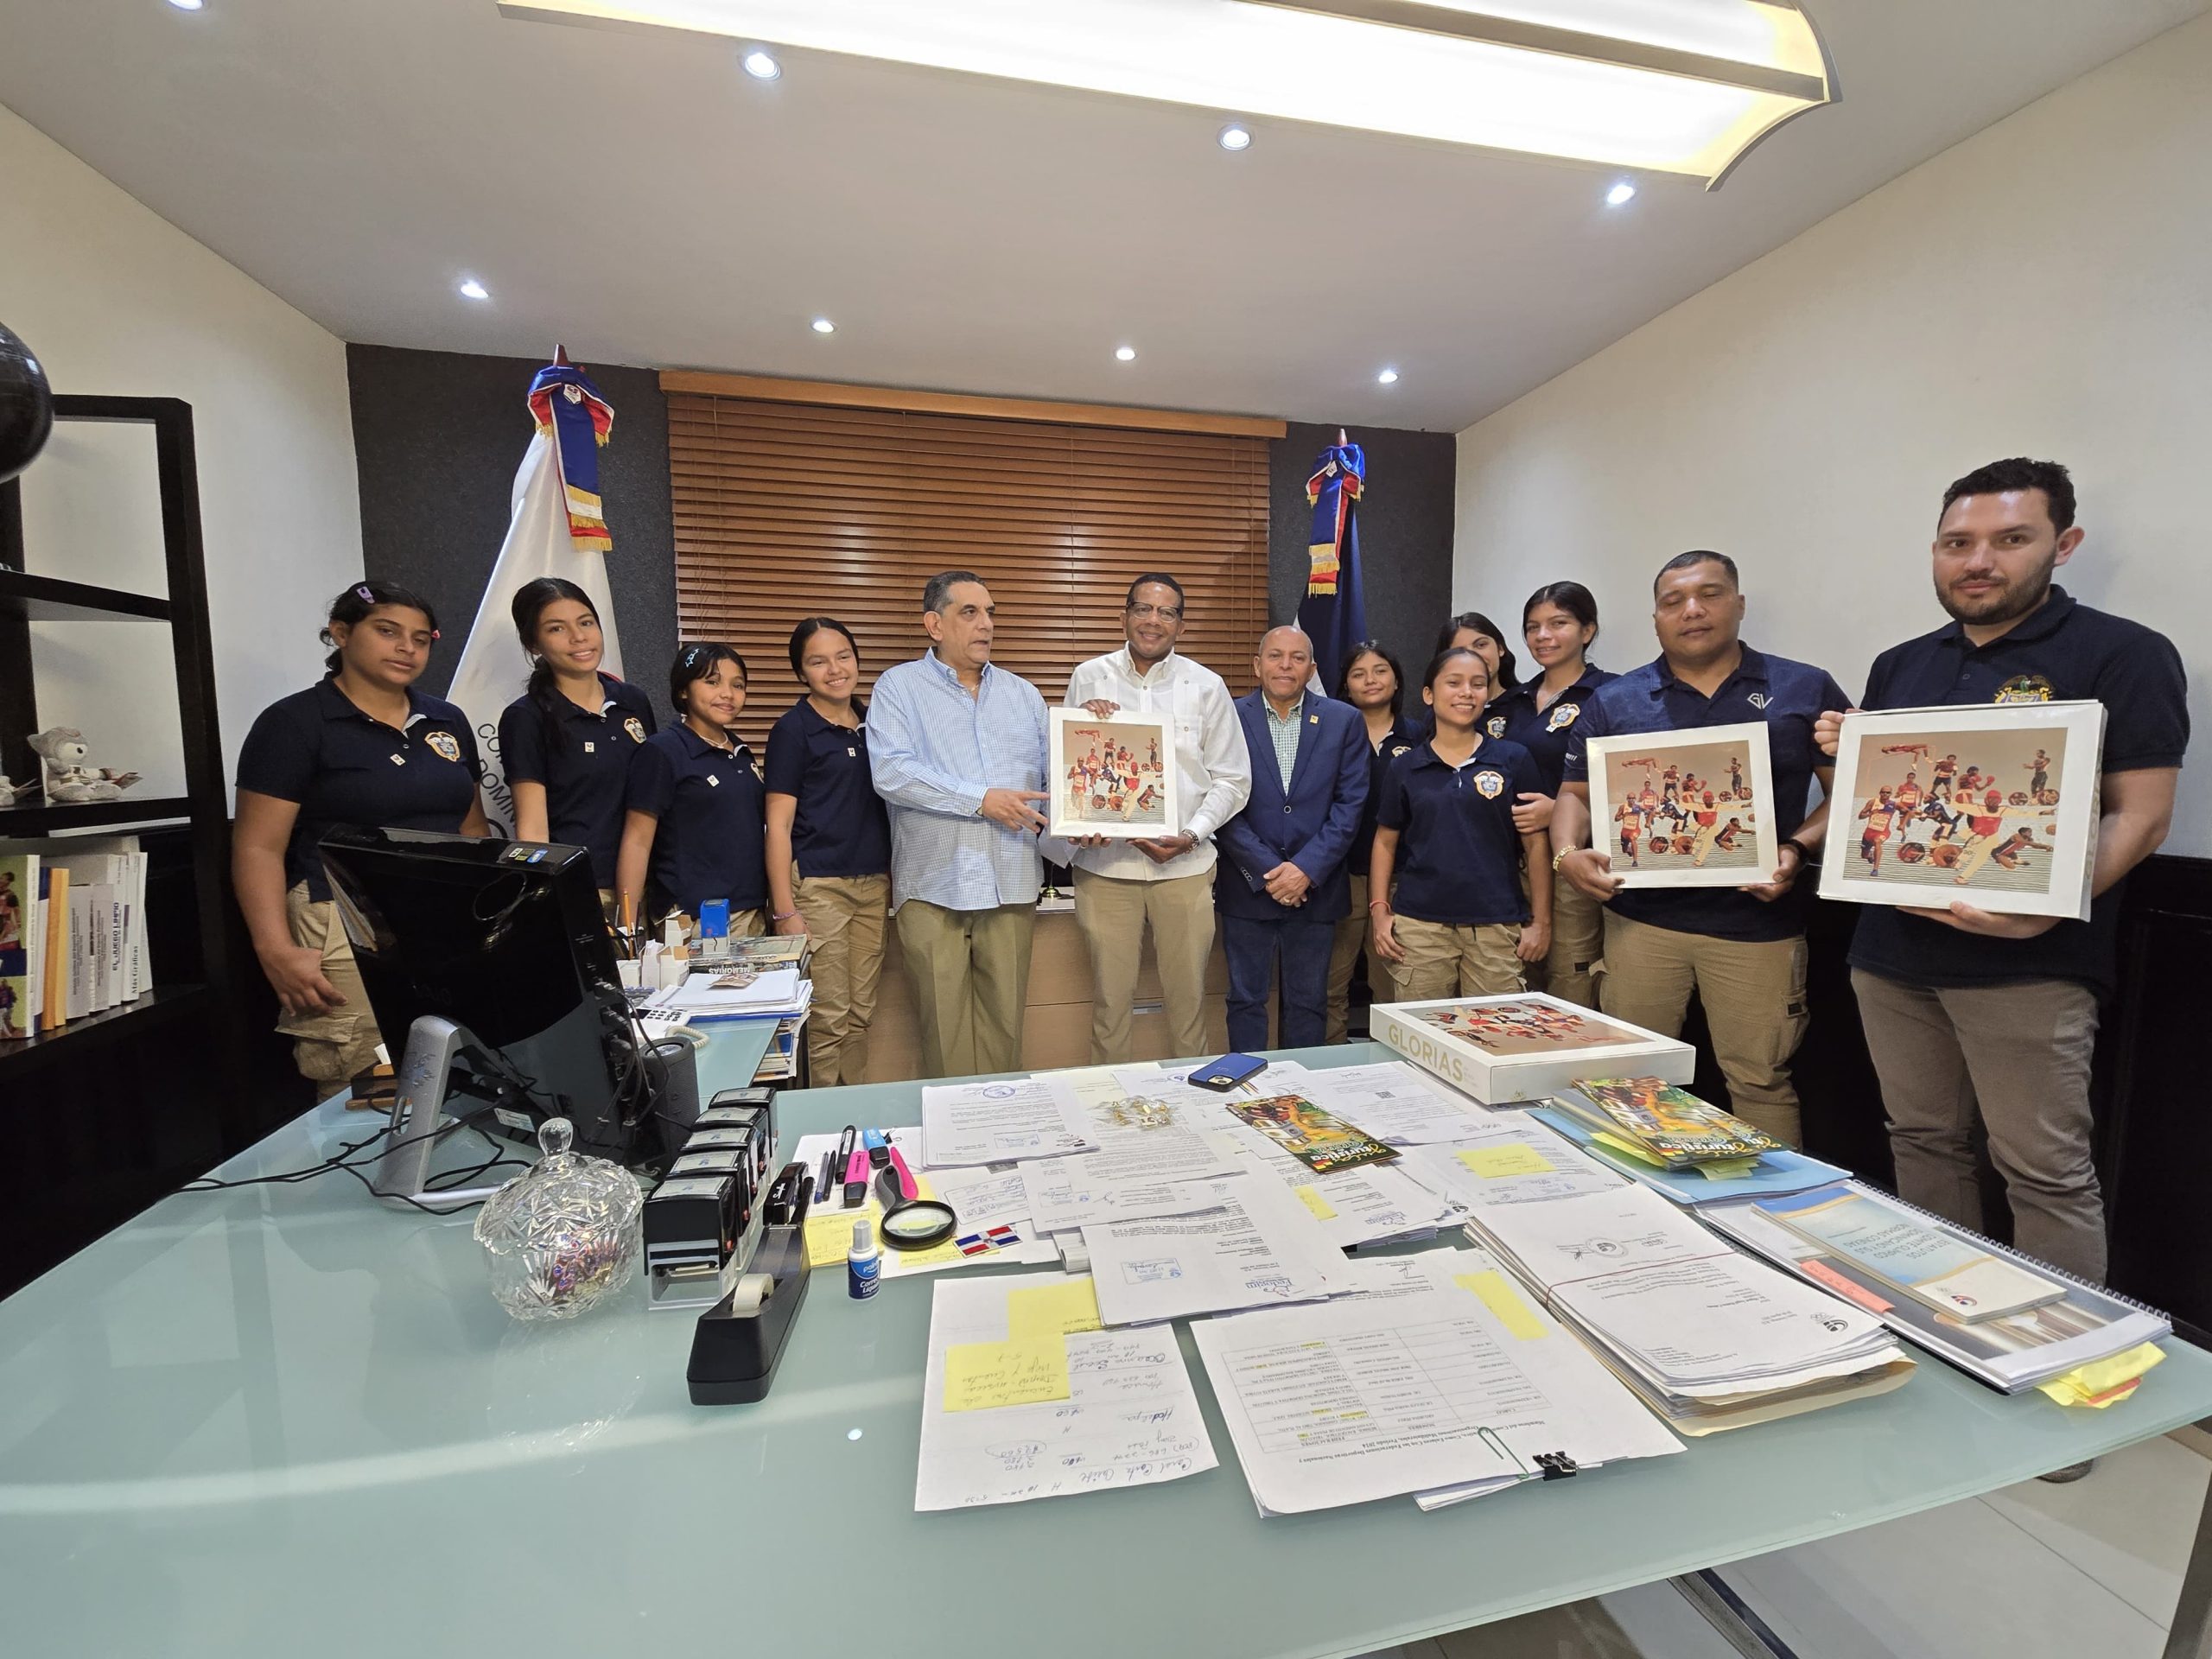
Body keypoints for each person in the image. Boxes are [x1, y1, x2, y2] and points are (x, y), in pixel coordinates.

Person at [1817, 458, 2186, 1298]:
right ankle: (1945, 1309)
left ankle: (2064, 1346)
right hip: (1889, 954)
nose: (1978, 560)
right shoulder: (1901, 663)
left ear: (2063, 544)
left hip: (2029, 965)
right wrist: (1849, 753)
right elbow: (1884, 806)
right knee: (1920, 1139)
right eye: (1958, 543)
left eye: (2010, 539)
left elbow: (2142, 815)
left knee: (2043, 1170)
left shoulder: (2125, 653)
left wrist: (2037, 912)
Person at [1552, 551, 1852, 1146]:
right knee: (1630, 1078)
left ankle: (1775, 1200)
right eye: (1673, 601)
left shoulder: (1803, 686)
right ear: (1656, 619)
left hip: (1758, 927)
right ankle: (1639, 1193)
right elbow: (1574, 793)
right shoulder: (1617, 700)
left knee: (1760, 1080)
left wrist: (1796, 847)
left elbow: (1849, 790)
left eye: (1709, 594)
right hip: (1642, 923)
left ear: (1738, 604)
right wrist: (1566, 852)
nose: (1692, 610)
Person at [233, 581, 488, 1088]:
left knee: (461, 1065)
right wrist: (275, 950)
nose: (407, 648)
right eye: (388, 632)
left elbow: (471, 826)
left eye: (421, 638)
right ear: (341, 633)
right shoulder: (294, 722)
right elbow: (257, 846)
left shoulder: (447, 719)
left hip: (443, 916)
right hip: (343, 918)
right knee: (364, 1080)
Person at [868, 571, 1054, 1079]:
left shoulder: (1023, 695)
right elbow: (892, 772)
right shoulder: (899, 687)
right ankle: (955, 1131)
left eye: (990, 612)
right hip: (934, 887)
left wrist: (1093, 805)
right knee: (943, 1036)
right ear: (934, 624)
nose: (986, 624)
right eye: (969, 612)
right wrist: (980, 800)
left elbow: (1054, 783)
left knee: (1005, 1033)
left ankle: (1004, 1125)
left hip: (1011, 884)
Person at [1064, 574, 1251, 1063]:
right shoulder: (1089, 677)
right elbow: (1070, 769)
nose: (1153, 620)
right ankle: (1110, 1100)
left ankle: (1192, 1101)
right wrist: (1083, 731)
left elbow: (1233, 779)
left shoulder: (1206, 686)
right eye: (1143, 609)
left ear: (1181, 625)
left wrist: (1191, 834)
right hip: (1107, 869)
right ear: (1123, 616)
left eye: (1167, 612)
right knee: (1109, 1005)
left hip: (1185, 870)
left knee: (1189, 1005)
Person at [1214, 626, 1368, 1050]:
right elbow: (1220, 799)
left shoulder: (1343, 720)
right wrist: (1269, 870)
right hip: (1247, 885)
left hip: (1315, 888)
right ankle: (1245, 1078)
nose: (1286, 666)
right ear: (1257, 665)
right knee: (1245, 999)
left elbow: (1350, 805)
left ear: (1312, 669)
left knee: (1309, 1002)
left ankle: (1303, 1080)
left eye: (1297, 658)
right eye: (1275, 656)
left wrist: (1305, 869)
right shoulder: (1228, 716)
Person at [1370, 647, 1551, 999]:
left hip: (1496, 923)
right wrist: (1379, 911)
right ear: (1429, 694)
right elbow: (1384, 841)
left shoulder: (1513, 759)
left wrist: (1541, 922)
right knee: (1421, 1026)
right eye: (1454, 683)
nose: (1467, 692)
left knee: (1494, 1027)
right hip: (1420, 925)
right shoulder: (1405, 767)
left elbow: (1536, 845)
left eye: (1478, 684)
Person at [765, 617, 893, 1087]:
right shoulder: (793, 730)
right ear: (801, 672)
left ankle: (851, 1108)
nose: (835, 669)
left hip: (873, 884)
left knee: (861, 1014)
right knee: (828, 1016)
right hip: (819, 887)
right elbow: (777, 825)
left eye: (843, 657)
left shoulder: (877, 725)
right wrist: (784, 910)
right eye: (818, 661)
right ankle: (822, 1116)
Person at [1482, 581, 1616, 1006]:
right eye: (1533, 627)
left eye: (1558, 624)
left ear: (1587, 630)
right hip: (1506, 861)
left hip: (1574, 861)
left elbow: (1633, 787)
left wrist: (1559, 811)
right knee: (1511, 976)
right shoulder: (1510, 703)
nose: (1543, 636)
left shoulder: (1611, 696)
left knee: (1569, 975)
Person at [497, 576, 655, 905]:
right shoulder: (526, 717)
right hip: (582, 890)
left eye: (586, 622)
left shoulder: (632, 701)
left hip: (652, 884)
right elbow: (533, 830)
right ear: (533, 644)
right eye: (557, 628)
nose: (579, 637)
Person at [616, 645, 766, 938]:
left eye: (737, 685)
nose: (727, 693)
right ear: (683, 689)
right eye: (712, 682)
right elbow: (637, 841)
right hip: (695, 917)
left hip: (751, 911)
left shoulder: (740, 751)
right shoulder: (662, 751)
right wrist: (628, 930)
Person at [1326, 641, 1420, 1039]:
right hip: (1340, 877)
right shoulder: (1329, 734)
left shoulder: (1421, 735)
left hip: (1401, 879)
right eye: (1359, 673)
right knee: (1329, 986)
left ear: (1396, 680)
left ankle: (1390, 1061)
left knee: (1392, 987)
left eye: (1380, 670)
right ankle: (1328, 1058)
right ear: (1346, 686)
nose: (1371, 680)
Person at [1433, 610, 1519, 695]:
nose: (1474, 657)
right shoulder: (1440, 703)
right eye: (1461, 651)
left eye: (1481, 645)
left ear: (1500, 648)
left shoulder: (1524, 700)